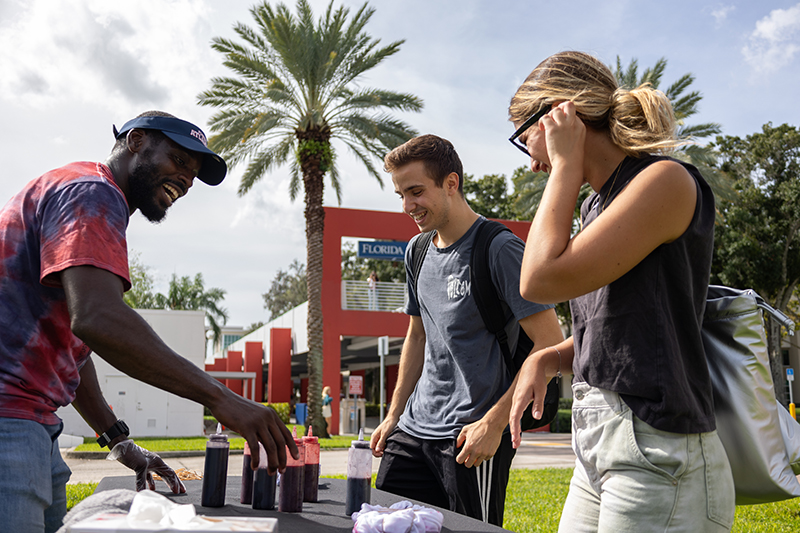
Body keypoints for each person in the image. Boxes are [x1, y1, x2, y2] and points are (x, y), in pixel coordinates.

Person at [0, 111, 298, 533]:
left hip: (34, 422)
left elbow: (74, 346)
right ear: (136, 141)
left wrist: (118, 440)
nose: (186, 180)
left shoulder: (84, 191)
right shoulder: (92, 191)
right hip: (8, 424)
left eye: (193, 174)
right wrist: (222, 398)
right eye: (178, 160)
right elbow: (98, 319)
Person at [506, 51, 735, 532]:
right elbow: (624, 330)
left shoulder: (664, 180)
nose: (530, 163)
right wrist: (547, 358)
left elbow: (537, 280)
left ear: (558, 116)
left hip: (657, 449)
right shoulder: (597, 205)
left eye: (525, 139)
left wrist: (566, 164)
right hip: (600, 448)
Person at [370, 134, 564, 526]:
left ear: (451, 184)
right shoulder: (417, 251)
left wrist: (493, 425)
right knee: (384, 524)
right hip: (413, 430)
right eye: (401, 195)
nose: (408, 206)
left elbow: (551, 345)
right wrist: (393, 416)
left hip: (471, 436)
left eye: (416, 192)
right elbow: (417, 336)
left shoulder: (500, 249)